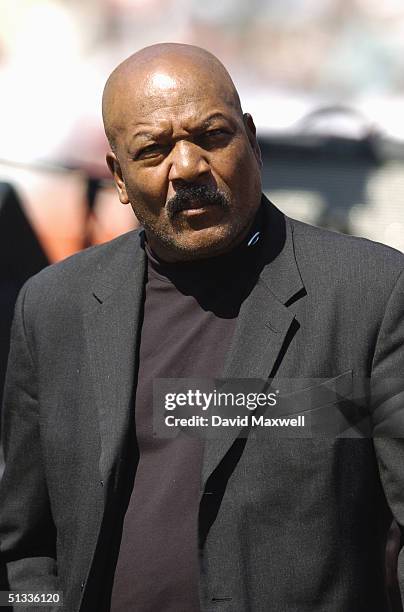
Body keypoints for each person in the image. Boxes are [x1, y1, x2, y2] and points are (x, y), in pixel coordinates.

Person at [0, 42, 404, 612]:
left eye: (212, 136)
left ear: (253, 141)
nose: (187, 167)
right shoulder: (51, 308)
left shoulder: (372, 294)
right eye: (153, 149)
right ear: (117, 175)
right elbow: (23, 548)